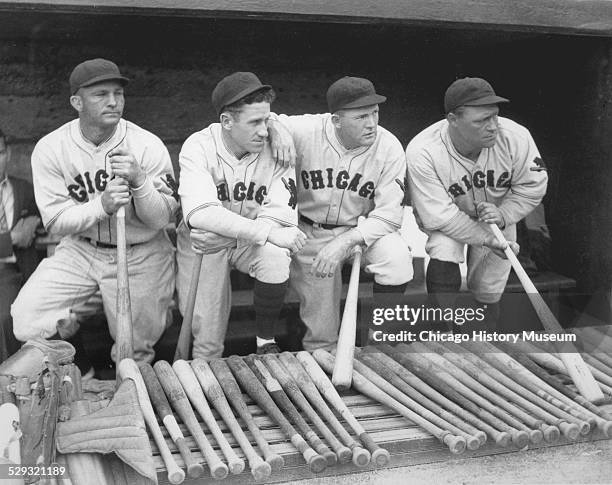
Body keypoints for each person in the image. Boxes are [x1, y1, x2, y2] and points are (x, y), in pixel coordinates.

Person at [11, 58, 178, 364]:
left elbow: (161, 219)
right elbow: (57, 222)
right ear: (77, 101)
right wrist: (102, 206)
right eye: (101, 94)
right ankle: (79, 371)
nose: (114, 102)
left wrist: (140, 181)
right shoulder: (52, 148)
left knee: (134, 351)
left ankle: (129, 401)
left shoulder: (146, 144)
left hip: (142, 251)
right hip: (81, 250)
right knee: (27, 317)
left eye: (119, 93)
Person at [268, 76, 413, 350]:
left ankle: (382, 346)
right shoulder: (307, 129)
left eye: (375, 113)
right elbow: (269, 118)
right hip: (309, 232)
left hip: (361, 230)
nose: (371, 123)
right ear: (336, 120)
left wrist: (347, 240)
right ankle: (326, 367)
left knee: (397, 260)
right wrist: (276, 129)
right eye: (361, 117)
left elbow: (390, 215)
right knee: (322, 336)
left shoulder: (389, 146)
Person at [176, 72, 305, 359]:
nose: (264, 131)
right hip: (203, 243)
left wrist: (254, 236)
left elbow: (279, 217)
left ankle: (264, 341)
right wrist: (268, 233)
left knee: (274, 256)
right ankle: (204, 383)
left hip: (238, 240)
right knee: (207, 337)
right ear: (226, 122)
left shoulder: (277, 146)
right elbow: (202, 214)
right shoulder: (198, 146)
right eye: (255, 122)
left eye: (267, 120)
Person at [406, 77, 548, 329]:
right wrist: (484, 237)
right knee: (443, 248)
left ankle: (484, 339)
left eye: (494, 116)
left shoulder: (515, 136)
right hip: (449, 217)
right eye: (482, 120)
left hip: (497, 213)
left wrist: (504, 214)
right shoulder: (423, 149)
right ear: (453, 120)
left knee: (489, 285)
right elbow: (438, 215)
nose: (493, 126)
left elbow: (532, 186)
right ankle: (442, 330)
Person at [0, 129, 42, 360]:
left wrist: (35, 220)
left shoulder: (24, 188)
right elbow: (17, 236)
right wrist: (12, 239)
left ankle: (83, 375)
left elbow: (43, 215)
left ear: (8, 153)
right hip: (2, 273)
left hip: (26, 270)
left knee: (59, 318)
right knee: (5, 318)